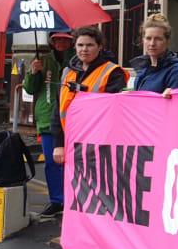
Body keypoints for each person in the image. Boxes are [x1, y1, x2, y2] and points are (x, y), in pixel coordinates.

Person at [50, 26, 129, 166]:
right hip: (70, 142)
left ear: (100, 47)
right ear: (74, 46)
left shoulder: (112, 72)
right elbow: (58, 110)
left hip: (99, 145)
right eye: (80, 45)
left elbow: (115, 112)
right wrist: (58, 144)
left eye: (89, 45)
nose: (84, 49)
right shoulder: (67, 72)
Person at [22, 32, 75, 218]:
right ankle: (57, 200)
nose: (62, 42)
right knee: (52, 162)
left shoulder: (77, 59)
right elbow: (30, 89)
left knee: (74, 162)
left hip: (73, 116)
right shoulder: (43, 60)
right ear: (52, 42)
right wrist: (34, 72)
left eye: (66, 39)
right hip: (47, 117)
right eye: (57, 39)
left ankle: (73, 199)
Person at [130, 13, 178, 94]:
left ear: (168, 41)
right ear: (143, 40)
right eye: (148, 38)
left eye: (158, 39)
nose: (152, 43)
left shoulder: (176, 71)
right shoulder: (143, 68)